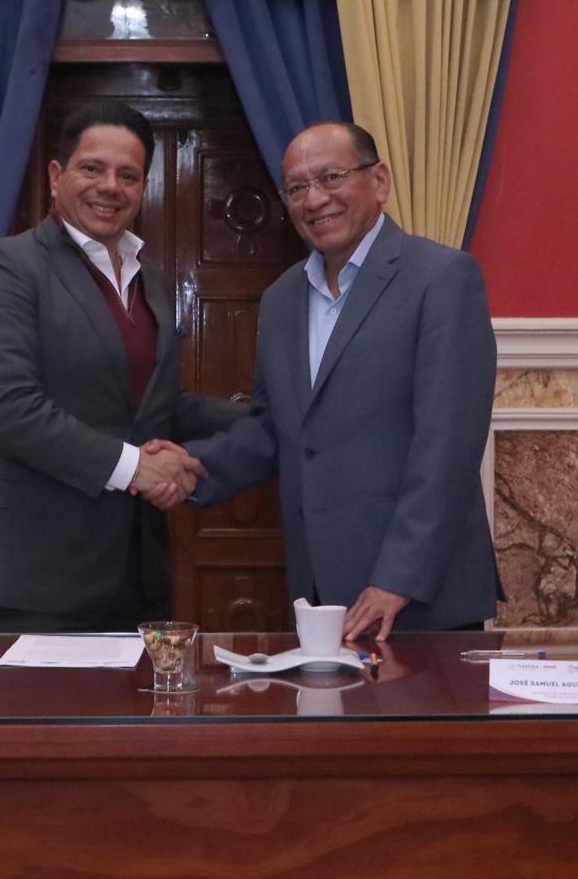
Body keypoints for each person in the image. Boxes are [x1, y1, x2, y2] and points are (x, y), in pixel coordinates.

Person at [161, 121, 503, 639]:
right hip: (319, 593)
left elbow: (448, 447)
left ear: (380, 181)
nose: (314, 198)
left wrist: (397, 578)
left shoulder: (442, 278)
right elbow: (273, 429)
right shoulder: (281, 298)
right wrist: (191, 469)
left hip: (420, 597)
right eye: (297, 187)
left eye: (331, 177)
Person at [0, 101, 241, 632]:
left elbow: (155, 405)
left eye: (127, 175)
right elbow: (3, 407)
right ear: (56, 176)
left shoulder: (150, 278)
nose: (110, 186)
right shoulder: (8, 266)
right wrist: (136, 468)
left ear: (142, 187)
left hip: (141, 572)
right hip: (41, 579)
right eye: (93, 168)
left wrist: (267, 417)